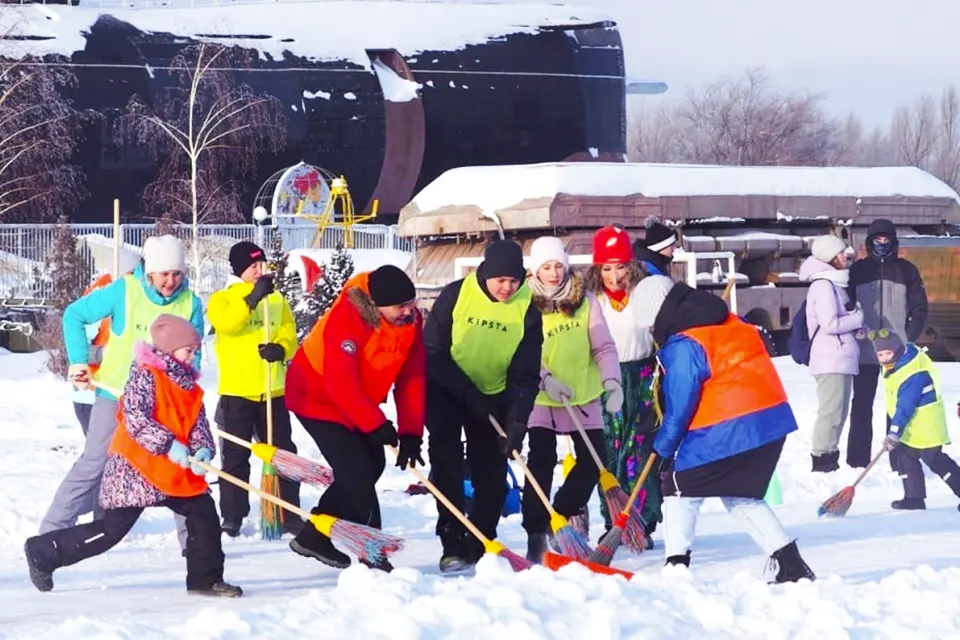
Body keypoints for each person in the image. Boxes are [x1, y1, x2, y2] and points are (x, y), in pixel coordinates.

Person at [25, 315, 242, 597]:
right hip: (136, 469)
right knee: (110, 531)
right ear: (169, 348)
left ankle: (205, 579)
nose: (194, 355)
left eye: (195, 350)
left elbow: (197, 423)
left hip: (172, 471)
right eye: (189, 350)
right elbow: (136, 417)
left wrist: (203, 449)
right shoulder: (145, 374)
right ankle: (43, 551)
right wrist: (167, 444)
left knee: (203, 514)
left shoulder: (189, 385)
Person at [638, 275, 816, 583]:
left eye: (650, 326)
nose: (653, 333)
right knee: (741, 495)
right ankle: (791, 565)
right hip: (770, 421)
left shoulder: (684, 343)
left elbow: (681, 407)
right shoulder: (727, 321)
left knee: (678, 487)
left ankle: (676, 567)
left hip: (730, 426)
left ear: (657, 315)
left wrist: (661, 447)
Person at [40, 235, 203, 558]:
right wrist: (77, 361)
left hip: (166, 401)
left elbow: (194, 357)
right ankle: (51, 534)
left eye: (177, 274)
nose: (171, 281)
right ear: (149, 271)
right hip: (116, 395)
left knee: (184, 467)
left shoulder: (191, 303)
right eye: (164, 274)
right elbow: (74, 315)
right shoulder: (125, 290)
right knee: (94, 464)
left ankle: (196, 546)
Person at [284, 265, 425, 572]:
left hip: (356, 399)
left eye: (411, 304)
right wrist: (375, 424)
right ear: (376, 306)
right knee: (357, 472)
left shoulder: (412, 322)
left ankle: (314, 534)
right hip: (316, 395)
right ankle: (372, 555)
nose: (408, 312)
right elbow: (340, 383)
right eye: (400, 307)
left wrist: (411, 431)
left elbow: (412, 377)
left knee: (371, 466)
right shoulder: (349, 317)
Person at [424, 239, 542, 573]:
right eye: (500, 280)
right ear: (486, 274)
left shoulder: (527, 310)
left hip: (494, 392)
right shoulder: (455, 295)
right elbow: (432, 352)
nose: (507, 288)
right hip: (447, 388)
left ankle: (481, 538)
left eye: (513, 281)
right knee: (446, 462)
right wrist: (466, 391)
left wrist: (518, 420)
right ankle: (452, 541)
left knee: (491, 468)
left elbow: (525, 372)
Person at [521, 236, 621, 563]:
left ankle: (558, 515)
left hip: (583, 392)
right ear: (536, 269)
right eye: (546, 267)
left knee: (594, 462)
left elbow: (603, 346)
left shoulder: (585, 300)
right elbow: (521, 352)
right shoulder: (523, 302)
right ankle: (536, 532)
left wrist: (612, 381)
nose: (553, 273)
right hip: (542, 395)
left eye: (558, 266)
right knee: (541, 462)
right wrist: (546, 381)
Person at [208, 241, 302, 537]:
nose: (260, 271)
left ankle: (287, 510)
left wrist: (281, 348)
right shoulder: (223, 299)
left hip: (272, 390)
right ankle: (233, 514)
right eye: (253, 267)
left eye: (262, 265)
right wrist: (251, 299)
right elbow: (227, 324)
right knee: (235, 456)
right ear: (239, 270)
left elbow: (289, 329)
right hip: (238, 391)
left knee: (283, 453)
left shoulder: (277, 300)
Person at [585, 225, 662, 547]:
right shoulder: (591, 300)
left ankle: (643, 519)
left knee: (640, 452)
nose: (614, 276)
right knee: (611, 453)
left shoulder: (645, 294)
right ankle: (613, 519)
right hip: (607, 381)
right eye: (606, 268)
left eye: (620, 267)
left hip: (643, 378)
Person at [849, 219, 928, 468]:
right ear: (869, 242)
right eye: (877, 239)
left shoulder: (907, 270)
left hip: (898, 353)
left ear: (893, 241)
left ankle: (899, 460)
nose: (882, 244)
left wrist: (909, 337)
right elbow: (846, 305)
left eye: (886, 240)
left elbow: (920, 306)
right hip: (865, 350)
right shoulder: (858, 270)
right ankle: (857, 460)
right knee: (861, 404)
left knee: (897, 405)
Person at [873, 331, 960, 511]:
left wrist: (894, 433)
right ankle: (914, 498)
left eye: (887, 353)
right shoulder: (895, 366)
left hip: (927, 422)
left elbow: (905, 406)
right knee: (905, 456)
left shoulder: (913, 372)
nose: (884, 359)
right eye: (880, 355)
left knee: (934, 459)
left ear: (897, 350)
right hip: (912, 424)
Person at [799, 235, 864, 473]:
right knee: (830, 411)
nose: (844, 257)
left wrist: (857, 326)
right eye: (838, 254)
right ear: (828, 257)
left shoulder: (836, 283)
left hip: (841, 356)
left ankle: (830, 456)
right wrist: (858, 318)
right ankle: (821, 459)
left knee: (839, 412)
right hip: (829, 358)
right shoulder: (823, 285)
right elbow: (829, 324)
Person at [72, 254, 142, 437]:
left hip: (122, 394)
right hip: (93, 394)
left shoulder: (137, 301)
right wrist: (107, 354)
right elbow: (78, 349)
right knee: (102, 458)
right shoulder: (100, 301)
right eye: (132, 273)